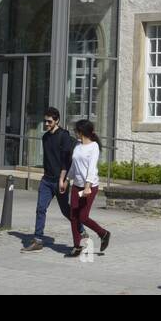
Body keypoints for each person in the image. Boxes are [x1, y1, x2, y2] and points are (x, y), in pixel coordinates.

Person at [23, 108, 79, 252]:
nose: (46, 124)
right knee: (40, 208)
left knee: (66, 210)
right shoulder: (45, 137)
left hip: (60, 180)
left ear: (57, 121)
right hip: (47, 180)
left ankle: (81, 229)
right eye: (45, 121)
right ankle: (38, 240)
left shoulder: (64, 136)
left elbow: (66, 161)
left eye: (49, 121)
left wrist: (63, 179)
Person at [66, 119, 110, 257]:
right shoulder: (78, 146)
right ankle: (77, 246)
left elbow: (91, 168)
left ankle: (103, 233)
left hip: (89, 187)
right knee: (73, 216)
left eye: (76, 131)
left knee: (83, 217)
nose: (75, 133)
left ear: (81, 131)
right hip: (76, 186)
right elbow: (74, 165)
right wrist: (67, 179)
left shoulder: (94, 147)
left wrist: (87, 186)